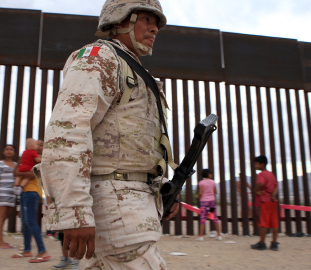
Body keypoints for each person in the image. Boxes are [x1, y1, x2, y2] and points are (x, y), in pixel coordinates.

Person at [39, 0, 180, 269]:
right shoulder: (100, 58)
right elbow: (67, 133)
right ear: (119, 20)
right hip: (114, 207)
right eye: (147, 19)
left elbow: (132, 146)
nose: (155, 28)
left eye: (157, 23)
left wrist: (161, 188)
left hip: (132, 206)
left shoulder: (134, 70)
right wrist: (74, 212)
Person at [11, 139, 50, 263]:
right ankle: (27, 249)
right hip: (23, 192)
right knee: (24, 222)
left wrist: (23, 172)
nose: (39, 146)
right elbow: (15, 172)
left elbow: (33, 174)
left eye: (41, 145)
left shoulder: (43, 159)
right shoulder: (28, 155)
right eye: (37, 144)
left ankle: (42, 251)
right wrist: (23, 171)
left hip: (32, 191)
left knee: (30, 221)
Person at [250, 155, 279, 251]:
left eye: (256, 164)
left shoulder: (261, 174)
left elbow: (260, 184)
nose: (255, 166)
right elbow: (276, 187)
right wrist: (273, 195)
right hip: (272, 202)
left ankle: (262, 243)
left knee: (264, 223)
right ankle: (274, 243)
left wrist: (256, 190)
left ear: (262, 164)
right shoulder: (271, 174)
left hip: (264, 202)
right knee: (274, 223)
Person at [0, 144, 17, 249]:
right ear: (3, 152)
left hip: (12, 193)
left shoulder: (16, 164)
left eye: (11, 149)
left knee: (4, 217)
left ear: (14, 152)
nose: (9, 151)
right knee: (1, 217)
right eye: (6, 149)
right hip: (2, 192)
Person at [196, 169, 222, 241]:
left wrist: (197, 196)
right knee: (215, 217)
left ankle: (201, 236)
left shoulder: (201, 183)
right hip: (212, 202)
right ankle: (219, 235)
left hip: (204, 202)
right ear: (209, 174)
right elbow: (215, 192)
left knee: (203, 218)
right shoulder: (213, 182)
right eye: (211, 173)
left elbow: (200, 193)